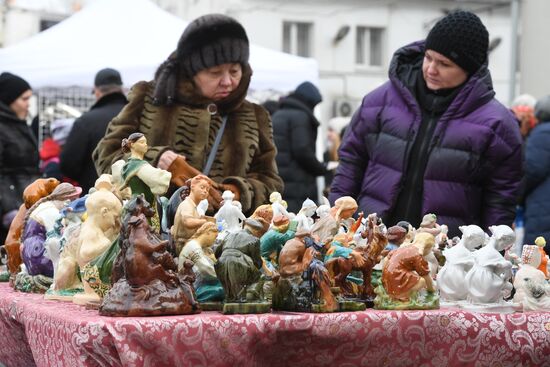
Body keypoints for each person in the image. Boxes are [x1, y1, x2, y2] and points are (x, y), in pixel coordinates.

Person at [329, 10, 522, 238]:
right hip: (370, 241)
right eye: (428, 57)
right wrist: (336, 223)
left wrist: (489, 256)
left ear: (469, 69)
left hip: (444, 256)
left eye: (444, 63)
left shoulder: (497, 124)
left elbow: (500, 202)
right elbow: (351, 164)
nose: (431, 69)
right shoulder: (378, 102)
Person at [93, 14, 283, 216]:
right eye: (215, 72)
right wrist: (157, 161)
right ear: (191, 71)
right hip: (152, 233)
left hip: (222, 239)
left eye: (235, 71)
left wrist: (237, 193)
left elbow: (271, 182)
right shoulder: (149, 99)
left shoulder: (254, 115)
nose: (227, 81)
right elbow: (106, 154)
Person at [60, 68, 128, 194]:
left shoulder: (85, 122)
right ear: (122, 90)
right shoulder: (139, 116)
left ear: (97, 92)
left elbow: (68, 166)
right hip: (137, 200)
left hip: (95, 198)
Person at [272, 81, 327, 213]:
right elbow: (302, 151)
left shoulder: (278, 114)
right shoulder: (301, 117)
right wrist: (321, 168)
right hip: (298, 185)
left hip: (280, 182)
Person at [0, 72, 39, 246]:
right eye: (24, 99)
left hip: (26, 201)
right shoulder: (4, 126)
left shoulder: (19, 124)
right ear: (9, 99)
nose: (28, 105)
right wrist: (8, 209)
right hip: (10, 208)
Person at [523, 96, 550, 252]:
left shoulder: (542, 133)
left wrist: (517, 196)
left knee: (539, 263)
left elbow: (532, 170)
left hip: (543, 208)